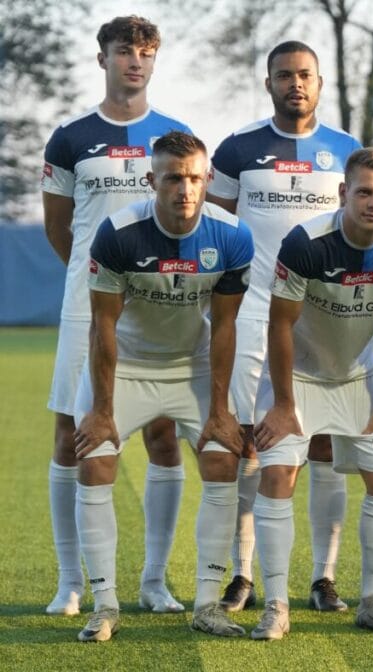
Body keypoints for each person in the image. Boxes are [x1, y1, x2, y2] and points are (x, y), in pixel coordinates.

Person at [71, 131, 254, 641]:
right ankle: (104, 605)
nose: (185, 189)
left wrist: (220, 408)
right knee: (95, 458)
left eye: (195, 177)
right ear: (152, 180)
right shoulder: (117, 234)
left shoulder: (233, 237)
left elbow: (225, 327)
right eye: (173, 177)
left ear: (208, 179)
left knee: (222, 457)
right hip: (127, 362)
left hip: (192, 364)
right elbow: (102, 326)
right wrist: (102, 410)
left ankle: (207, 605)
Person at [41, 15, 192, 617]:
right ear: (101, 57)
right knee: (69, 434)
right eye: (125, 50)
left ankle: (154, 582)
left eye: (147, 51)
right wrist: (96, 278)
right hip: (88, 304)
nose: (136, 60)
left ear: (155, 60)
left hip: (162, 305)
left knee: (161, 433)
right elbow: (59, 228)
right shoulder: (70, 139)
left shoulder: (176, 133)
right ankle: (69, 581)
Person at [205, 40, 362, 614]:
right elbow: (216, 232)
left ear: (319, 82)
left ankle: (323, 578)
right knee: (254, 443)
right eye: (284, 75)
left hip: (325, 316)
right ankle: (243, 575)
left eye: (304, 75)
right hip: (252, 310)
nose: (295, 84)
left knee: (322, 444)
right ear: (267, 82)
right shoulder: (238, 148)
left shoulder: (347, 150)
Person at [249, 148, 373, 640]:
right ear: (343, 193)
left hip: (357, 374)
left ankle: (372, 601)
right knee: (278, 473)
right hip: (298, 376)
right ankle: (277, 605)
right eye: (365, 192)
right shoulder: (305, 243)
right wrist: (283, 405)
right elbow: (279, 326)